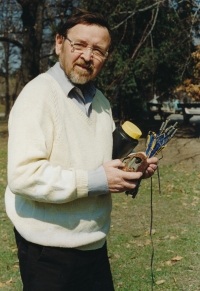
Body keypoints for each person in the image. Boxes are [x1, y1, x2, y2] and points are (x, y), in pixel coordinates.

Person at [5, 9, 158, 291]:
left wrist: (130, 171)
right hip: (48, 251)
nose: (88, 57)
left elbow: (97, 164)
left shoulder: (101, 102)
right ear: (59, 43)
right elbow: (23, 176)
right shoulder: (37, 95)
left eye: (98, 50)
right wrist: (96, 180)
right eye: (80, 45)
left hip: (93, 245)